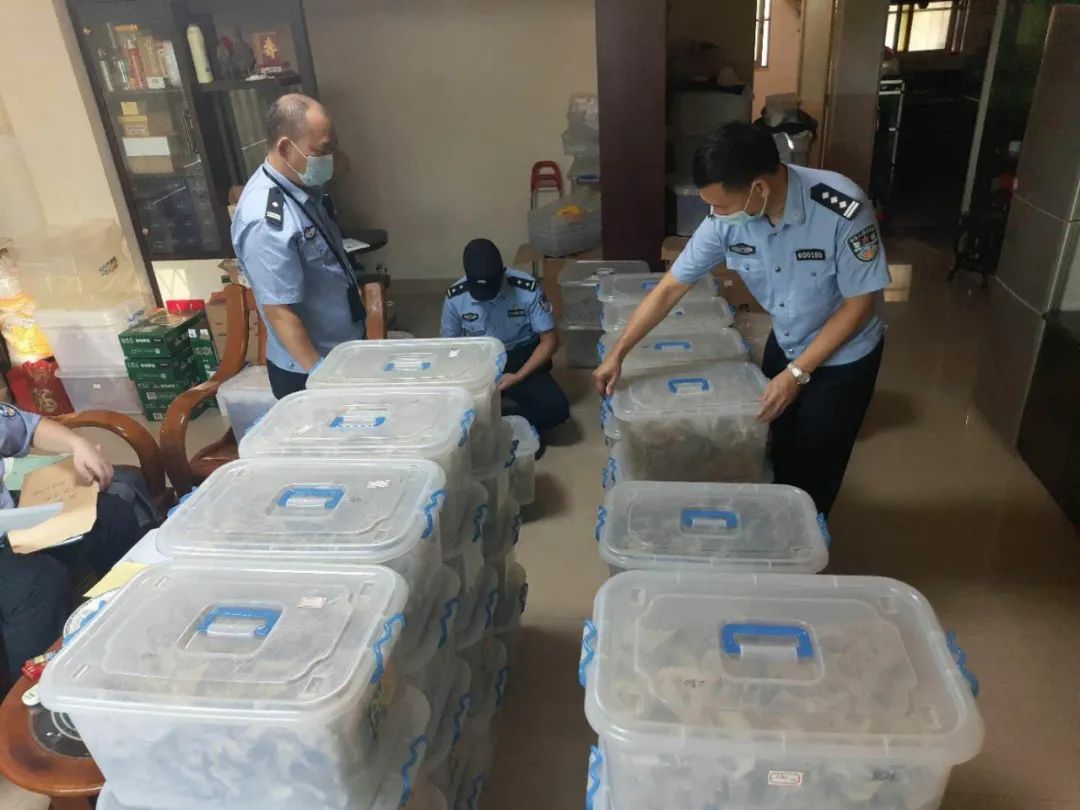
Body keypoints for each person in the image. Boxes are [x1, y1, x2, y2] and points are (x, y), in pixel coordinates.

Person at [594, 122, 890, 517]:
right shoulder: (726, 222)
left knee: (816, 464)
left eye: (721, 206)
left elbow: (858, 304)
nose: (714, 215)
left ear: (759, 188)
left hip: (844, 356)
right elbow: (669, 288)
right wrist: (619, 353)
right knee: (772, 442)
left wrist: (797, 374)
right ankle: (771, 525)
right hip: (788, 338)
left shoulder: (841, 208)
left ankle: (803, 533)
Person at [0, 405, 149, 681]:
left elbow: (28, 428)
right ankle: (31, 690)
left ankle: (135, 621)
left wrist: (76, 444)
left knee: (111, 516)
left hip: (10, 519)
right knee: (38, 582)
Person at [232, 94, 365, 399]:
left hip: (342, 350)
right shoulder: (266, 222)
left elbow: (344, 165)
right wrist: (321, 377)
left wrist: (328, 151)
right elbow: (279, 311)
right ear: (284, 148)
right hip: (309, 370)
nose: (329, 158)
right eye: (322, 151)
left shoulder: (298, 182)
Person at [442, 239, 570, 447]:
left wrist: (518, 376)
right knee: (448, 410)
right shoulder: (456, 296)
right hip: (479, 359)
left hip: (521, 356)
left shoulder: (527, 289)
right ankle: (508, 420)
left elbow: (550, 342)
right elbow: (449, 347)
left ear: (503, 271)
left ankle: (509, 424)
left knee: (556, 408)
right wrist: (461, 376)